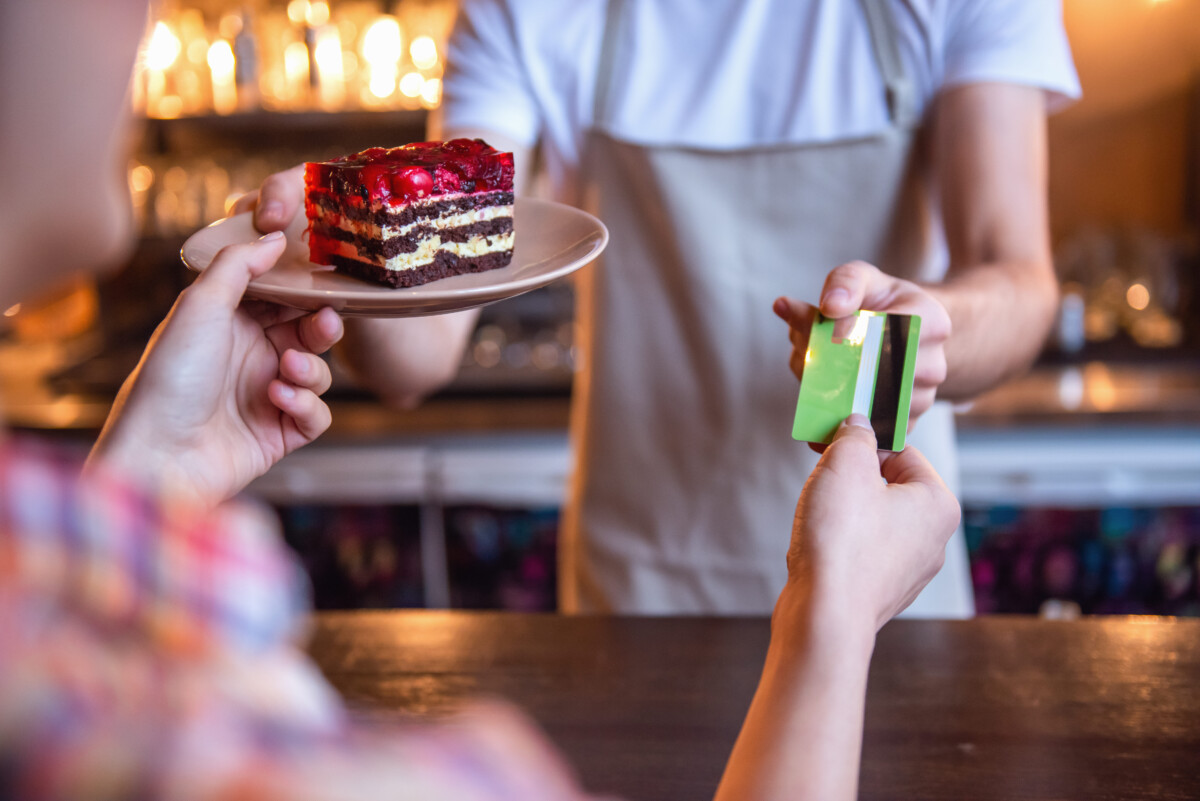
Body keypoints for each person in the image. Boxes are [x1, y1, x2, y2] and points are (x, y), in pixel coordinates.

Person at [2, 2, 960, 798]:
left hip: (888, 572)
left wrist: (146, 479)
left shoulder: (49, 580)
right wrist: (831, 615)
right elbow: (419, 353)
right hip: (693, 572)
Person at [244, 0, 1080, 617]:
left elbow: (1017, 275)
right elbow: (416, 358)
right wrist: (346, 247)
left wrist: (937, 334)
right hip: (641, 597)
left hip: (890, 584)